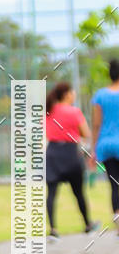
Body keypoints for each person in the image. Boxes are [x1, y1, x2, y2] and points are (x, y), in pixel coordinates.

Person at [45, 81, 98, 238]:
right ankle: (88, 224)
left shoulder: (48, 110)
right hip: (71, 153)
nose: (74, 95)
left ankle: (53, 230)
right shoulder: (74, 112)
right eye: (73, 92)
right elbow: (86, 133)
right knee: (79, 193)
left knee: (52, 193)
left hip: (53, 152)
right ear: (67, 94)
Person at [90, 59, 119, 235]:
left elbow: (96, 124)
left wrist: (93, 149)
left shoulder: (100, 95)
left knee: (115, 184)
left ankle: (118, 222)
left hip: (106, 145)